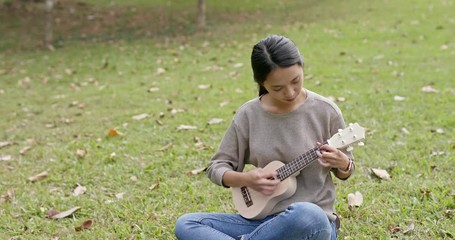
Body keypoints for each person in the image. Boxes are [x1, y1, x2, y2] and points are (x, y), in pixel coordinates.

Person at [175, 35, 355, 240]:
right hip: (261, 222)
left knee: (309, 214)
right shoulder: (248, 115)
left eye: (295, 80)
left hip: (310, 224)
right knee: (187, 223)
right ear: (262, 83)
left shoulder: (326, 111)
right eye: (277, 88)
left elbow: (346, 170)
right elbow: (217, 167)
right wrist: (247, 179)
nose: (290, 92)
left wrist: (343, 163)